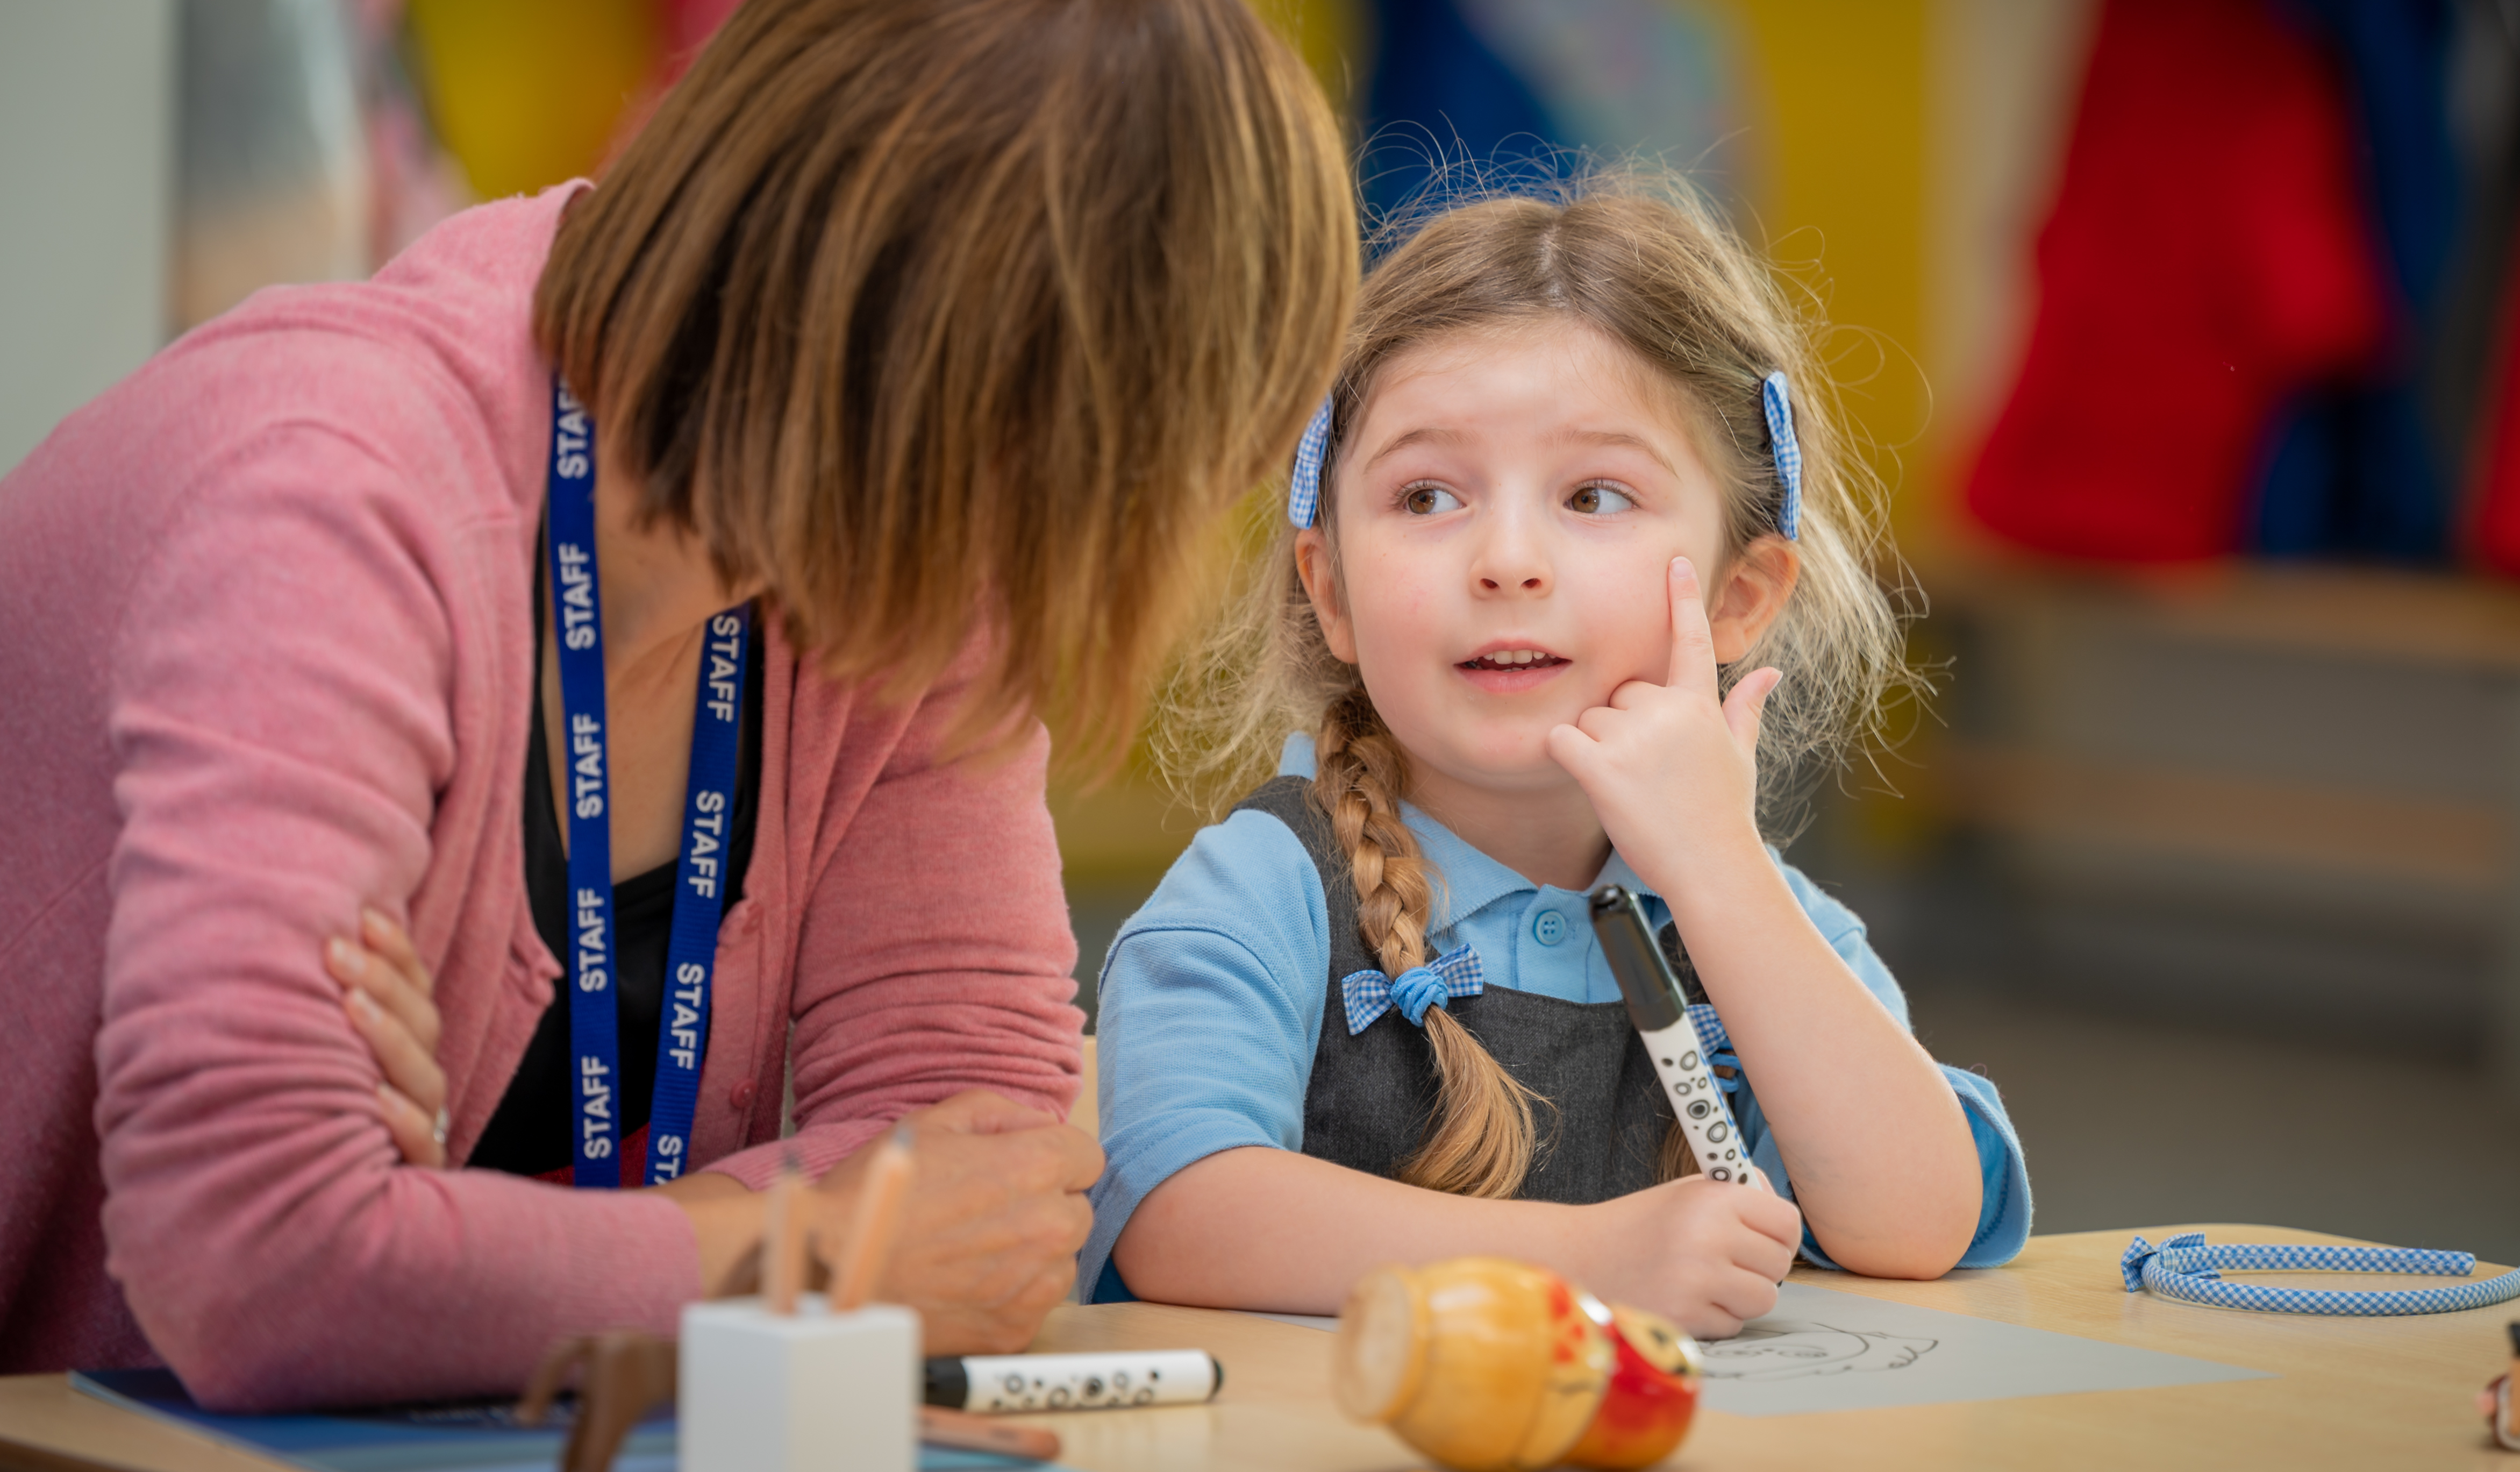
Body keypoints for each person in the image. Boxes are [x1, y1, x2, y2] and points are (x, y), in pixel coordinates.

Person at [0, 0, 1353, 1409]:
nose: (1092, 569)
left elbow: (981, 1190)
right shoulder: (331, 499)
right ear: (969, 389)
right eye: (1118, 488)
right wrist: (804, 1245)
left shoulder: (896, 571)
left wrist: (455, 1242)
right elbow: (259, 1264)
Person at [1084, 171, 2031, 1336]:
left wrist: (1720, 874)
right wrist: (1585, 1261)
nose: (1508, 560)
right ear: (1328, 588)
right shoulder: (1261, 894)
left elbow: (1918, 1225)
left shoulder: (1757, 918)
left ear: (1739, 598)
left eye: (1594, 494)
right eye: (1428, 494)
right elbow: (1179, 1210)